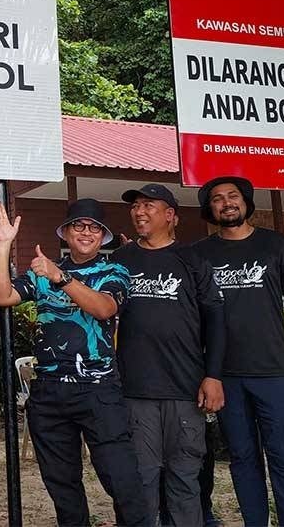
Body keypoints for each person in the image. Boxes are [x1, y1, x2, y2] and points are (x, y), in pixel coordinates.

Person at [0, 199, 149, 527]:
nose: (86, 232)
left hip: (98, 390)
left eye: (94, 228)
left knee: (122, 482)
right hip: (48, 393)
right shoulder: (42, 272)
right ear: (66, 232)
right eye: (79, 225)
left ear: (102, 236)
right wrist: (4, 243)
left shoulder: (113, 271)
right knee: (63, 487)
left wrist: (60, 277)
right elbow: (2, 296)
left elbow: (105, 309)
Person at [192, 176, 284, 526]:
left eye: (233, 196)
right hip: (224, 375)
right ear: (210, 209)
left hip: (272, 372)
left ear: (246, 202)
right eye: (217, 198)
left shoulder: (276, 246)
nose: (226, 202)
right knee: (243, 460)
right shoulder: (200, 254)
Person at [113, 184, 225, 527]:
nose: (139, 211)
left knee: (184, 481)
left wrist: (213, 375)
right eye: (135, 206)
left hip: (184, 391)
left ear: (170, 215)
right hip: (135, 393)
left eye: (149, 205)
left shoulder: (192, 260)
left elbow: (216, 320)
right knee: (141, 481)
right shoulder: (120, 261)